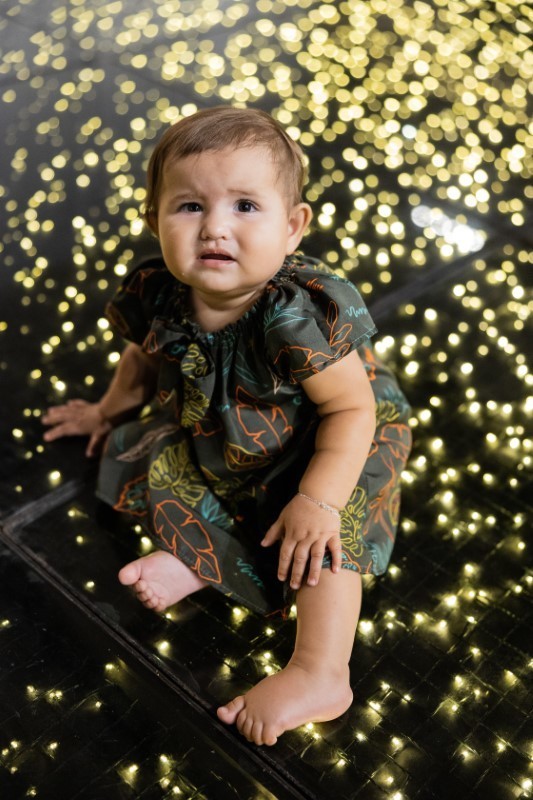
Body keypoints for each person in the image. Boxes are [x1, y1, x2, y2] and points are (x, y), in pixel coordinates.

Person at [42, 106, 412, 747]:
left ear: (292, 227)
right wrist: (105, 411)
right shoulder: (161, 291)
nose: (215, 227)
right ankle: (204, 561)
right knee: (161, 457)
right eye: (189, 206)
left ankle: (321, 670)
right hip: (228, 435)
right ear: (154, 220)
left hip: (330, 439)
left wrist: (319, 499)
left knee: (324, 537)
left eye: (245, 206)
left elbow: (352, 410)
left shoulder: (295, 317)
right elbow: (140, 360)